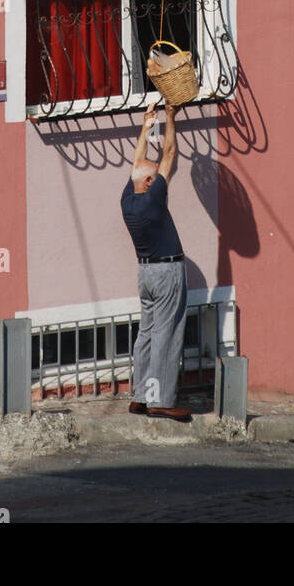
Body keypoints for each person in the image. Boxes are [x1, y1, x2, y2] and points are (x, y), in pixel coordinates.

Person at [120, 102, 190, 422]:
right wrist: (171, 117)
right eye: (154, 177)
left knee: (146, 333)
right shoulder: (152, 199)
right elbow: (170, 156)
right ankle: (160, 400)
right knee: (166, 333)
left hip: (144, 273)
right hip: (166, 272)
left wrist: (146, 127)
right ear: (150, 182)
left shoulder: (128, 201)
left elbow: (139, 162)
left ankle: (140, 397)